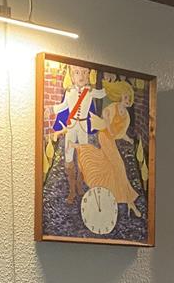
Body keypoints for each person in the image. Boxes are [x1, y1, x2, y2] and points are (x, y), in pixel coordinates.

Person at [74, 79, 142, 218]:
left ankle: (119, 198)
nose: (128, 101)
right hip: (104, 137)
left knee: (111, 167)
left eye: (129, 98)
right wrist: (109, 125)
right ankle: (130, 202)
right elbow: (105, 115)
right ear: (120, 96)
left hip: (111, 140)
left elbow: (121, 133)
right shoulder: (113, 107)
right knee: (119, 166)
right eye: (125, 97)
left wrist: (129, 140)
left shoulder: (127, 116)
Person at [47, 65, 105, 204]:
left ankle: (80, 184)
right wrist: (51, 109)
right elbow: (63, 106)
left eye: (85, 72)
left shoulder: (90, 92)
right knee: (69, 158)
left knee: (83, 157)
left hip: (83, 128)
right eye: (77, 73)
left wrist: (104, 85)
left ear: (88, 76)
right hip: (71, 127)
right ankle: (72, 189)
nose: (81, 76)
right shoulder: (69, 92)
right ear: (72, 76)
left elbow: (102, 94)